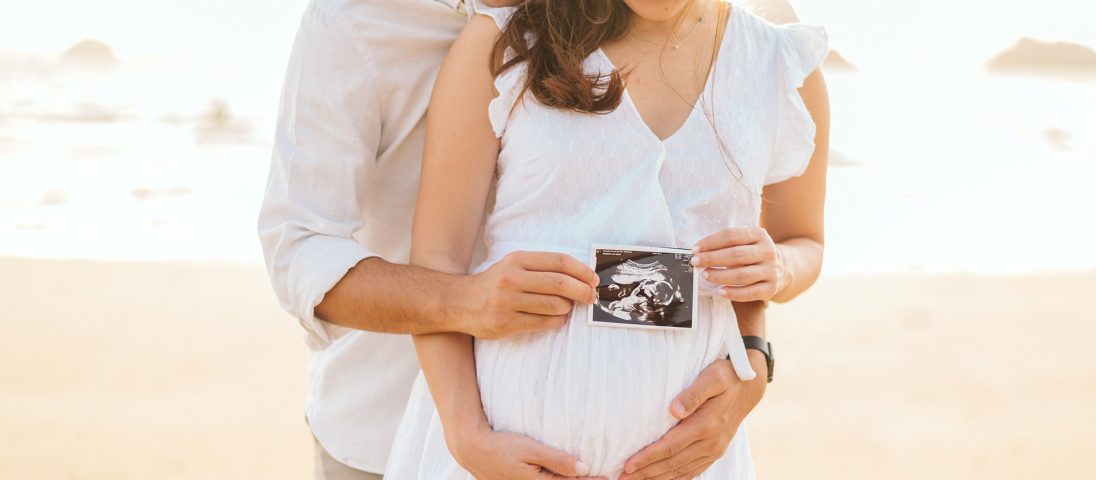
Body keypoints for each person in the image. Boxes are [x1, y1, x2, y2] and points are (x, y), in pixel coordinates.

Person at [256, 0, 808, 478]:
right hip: (388, 418)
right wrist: (463, 308)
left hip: (648, 448)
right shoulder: (359, 21)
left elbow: (694, 214)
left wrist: (753, 354)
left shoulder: (710, 35)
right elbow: (299, 247)